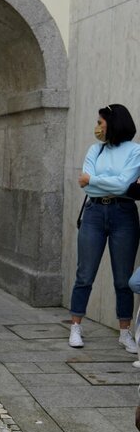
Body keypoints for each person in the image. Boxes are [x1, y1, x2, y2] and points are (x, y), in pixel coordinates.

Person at [68, 104, 140, 350]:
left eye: (100, 122)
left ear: (113, 122)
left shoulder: (135, 151)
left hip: (124, 214)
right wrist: (98, 183)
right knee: (84, 274)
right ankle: (75, 326)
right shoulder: (95, 149)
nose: (97, 127)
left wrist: (94, 180)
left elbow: (124, 185)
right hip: (94, 212)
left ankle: (124, 332)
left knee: (123, 278)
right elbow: (86, 186)